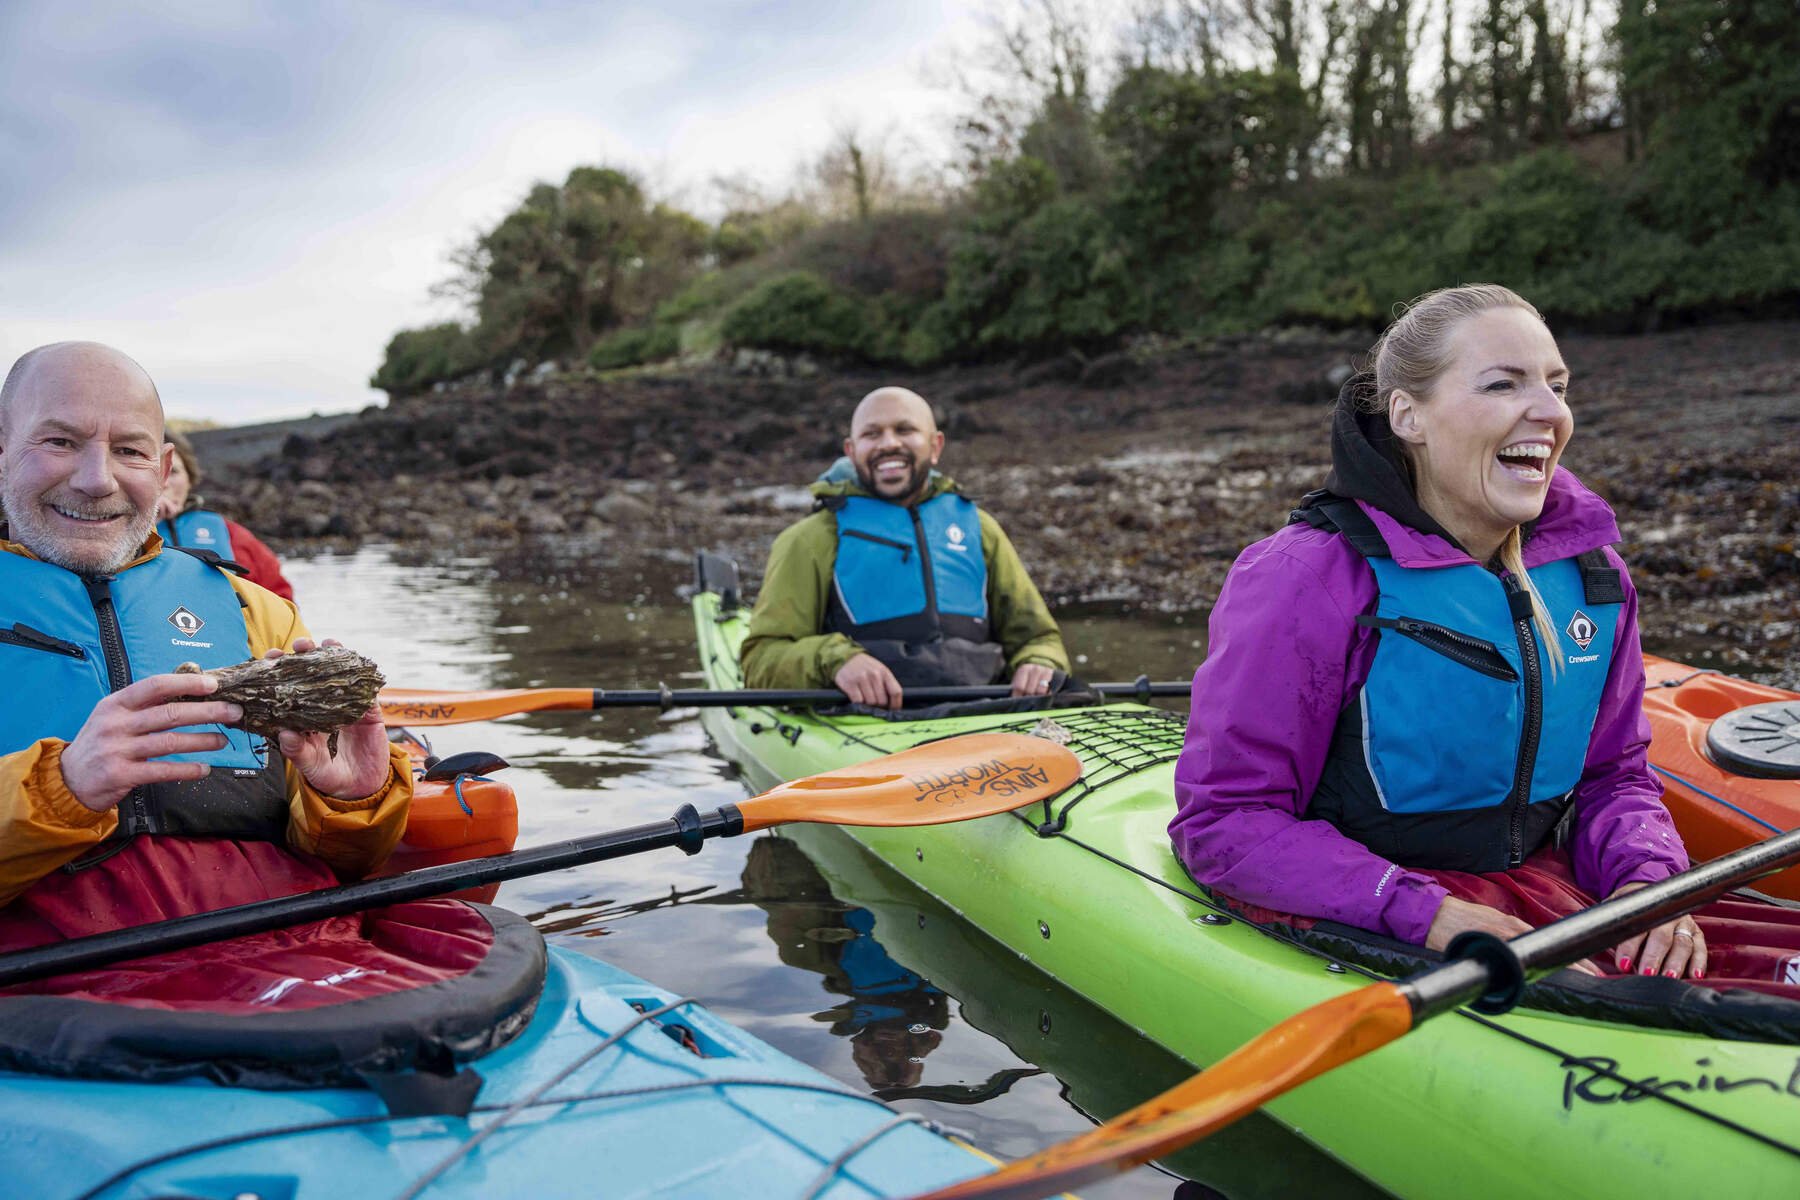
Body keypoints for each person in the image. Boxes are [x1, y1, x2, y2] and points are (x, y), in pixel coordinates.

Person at [1171, 285, 1800, 992]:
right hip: (1371, 897)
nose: (1550, 412)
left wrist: (1649, 885)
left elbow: (1612, 778)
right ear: (1409, 415)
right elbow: (1225, 822)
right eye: (1504, 384)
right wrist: (1423, 911)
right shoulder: (1305, 578)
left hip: (1538, 880)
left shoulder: (1593, 576)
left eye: (1557, 386)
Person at [0, 341, 410, 933]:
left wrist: (352, 803)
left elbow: (349, 861)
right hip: (56, 984)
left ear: (164, 471)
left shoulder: (260, 612)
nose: (97, 479)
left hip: (290, 956)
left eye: (130, 450)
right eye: (60, 442)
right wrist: (60, 789)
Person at [740, 386, 1069, 709]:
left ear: (935, 445)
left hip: (982, 711)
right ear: (851, 451)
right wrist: (835, 661)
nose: (889, 444)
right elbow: (760, 661)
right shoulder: (809, 539)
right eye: (872, 434)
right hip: (869, 718)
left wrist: (1038, 662)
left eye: (904, 429)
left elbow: (1039, 639)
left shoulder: (980, 529)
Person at [158, 428, 295, 602]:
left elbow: (282, 602)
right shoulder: (116, 536)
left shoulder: (233, 535)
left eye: (174, 471)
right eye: (154, 471)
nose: (164, 483)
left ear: (190, 478)